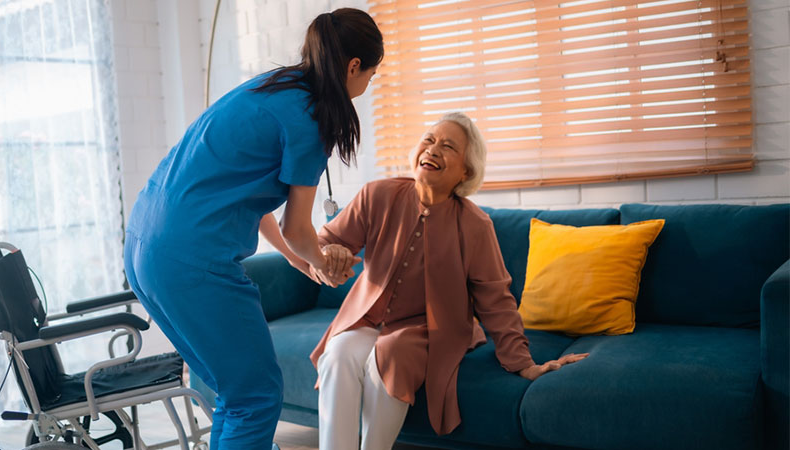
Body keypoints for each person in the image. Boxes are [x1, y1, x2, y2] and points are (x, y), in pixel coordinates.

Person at [123, 8, 382, 450]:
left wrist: (303, 263)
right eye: (371, 74)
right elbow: (298, 227)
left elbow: (257, 206)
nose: (368, 85)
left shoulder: (270, 88)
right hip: (193, 260)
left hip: (145, 249)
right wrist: (324, 262)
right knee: (256, 395)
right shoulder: (312, 117)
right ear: (354, 66)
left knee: (238, 395)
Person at [306, 112, 589, 449]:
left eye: (448, 146)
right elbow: (325, 243)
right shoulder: (377, 194)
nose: (433, 149)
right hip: (366, 319)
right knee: (337, 353)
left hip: (426, 329)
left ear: (465, 172)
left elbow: (496, 300)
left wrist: (523, 364)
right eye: (429, 140)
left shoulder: (475, 225)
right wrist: (328, 259)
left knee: (392, 353)